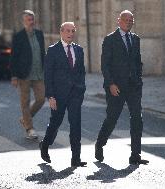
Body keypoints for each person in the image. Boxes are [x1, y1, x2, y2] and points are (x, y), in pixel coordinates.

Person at [95, 10, 149, 165]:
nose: (128, 22)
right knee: (112, 118)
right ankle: (100, 144)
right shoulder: (110, 39)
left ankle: (135, 156)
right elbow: (105, 65)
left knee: (137, 119)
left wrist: (139, 79)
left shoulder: (135, 39)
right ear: (118, 21)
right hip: (116, 87)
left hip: (134, 86)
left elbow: (138, 61)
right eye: (125, 20)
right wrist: (111, 84)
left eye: (131, 20)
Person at [39, 22, 87, 167]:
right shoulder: (53, 50)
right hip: (58, 95)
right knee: (55, 123)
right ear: (61, 32)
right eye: (67, 31)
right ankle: (45, 145)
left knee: (76, 125)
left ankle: (76, 159)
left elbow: (81, 72)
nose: (70, 34)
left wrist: (81, 89)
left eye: (73, 31)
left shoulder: (79, 50)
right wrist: (50, 96)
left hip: (75, 94)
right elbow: (48, 75)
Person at [10, 10, 45, 139]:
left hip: (38, 73)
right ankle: (30, 129)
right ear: (24, 21)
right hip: (23, 74)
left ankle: (25, 118)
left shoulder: (40, 35)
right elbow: (13, 57)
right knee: (25, 102)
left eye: (32, 19)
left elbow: (42, 53)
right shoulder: (18, 36)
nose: (31, 22)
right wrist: (14, 76)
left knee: (41, 99)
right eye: (29, 20)